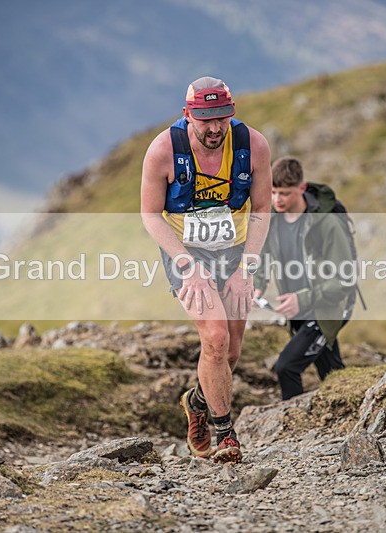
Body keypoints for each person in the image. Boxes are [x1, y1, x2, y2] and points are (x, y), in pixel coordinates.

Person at [140, 76, 272, 463]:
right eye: (205, 120)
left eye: (222, 119)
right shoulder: (163, 150)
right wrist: (187, 265)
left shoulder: (254, 146)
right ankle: (226, 436)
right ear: (188, 115)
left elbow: (262, 210)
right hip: (185, 250)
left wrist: (245, 267)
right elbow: (150, 215)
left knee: (230, 352)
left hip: (235, 249)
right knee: (214, 338)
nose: (215, 128)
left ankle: (196, 401)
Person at [253, 156, 356, 400]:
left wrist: (304, 299)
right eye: (274, 192)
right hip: (299, 309)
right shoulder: (273, 218)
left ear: (301, 188)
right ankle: (350, 413)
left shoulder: (328, 224)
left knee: (287, 367)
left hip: (327, 307)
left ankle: (292, 425)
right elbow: (264, 255)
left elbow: (345, 279)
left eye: (285, 193)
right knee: (331, 371)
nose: (277, 199)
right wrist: (256, 285)